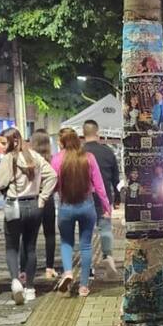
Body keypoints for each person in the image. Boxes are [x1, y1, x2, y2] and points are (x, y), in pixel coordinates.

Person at [0, 127, 57, 304]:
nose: (1, 146)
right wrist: (43, 197)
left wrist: (7, 182)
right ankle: (30, 288)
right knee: (30, 247)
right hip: (34, 205)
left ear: (13, 141)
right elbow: (52, 175)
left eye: (3, 142)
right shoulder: (34, 156)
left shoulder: (8, 159)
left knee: (12, 247)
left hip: (14, 205)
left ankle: (15, 280)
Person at [51, 127, 111, 296]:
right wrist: (106, 206)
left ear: (62, 142)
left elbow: (52, 183)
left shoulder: (57, 159)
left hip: (65, 206)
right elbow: (99, 185)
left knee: (66, 242)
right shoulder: (88, 157)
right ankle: (84, 286)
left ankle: (68, 272)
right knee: (86, 246)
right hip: (87, 205)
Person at [81, 119, 120, 279]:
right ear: (97, 133)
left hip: (84, 197)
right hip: (104, 196)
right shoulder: (107, 151)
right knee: (105, 228)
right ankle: (108, 256)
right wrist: (116, 197)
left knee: (86, 232)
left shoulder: (79, 152)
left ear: (83, 133)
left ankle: (89, 268)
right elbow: (116, 178)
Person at [30, 130, 60, 280]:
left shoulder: (29, 159)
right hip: (48, 200)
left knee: (30, 235)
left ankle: (27, 268)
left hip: (31, 199)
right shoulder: (52, 160)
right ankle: (49, 268)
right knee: (50, 234)